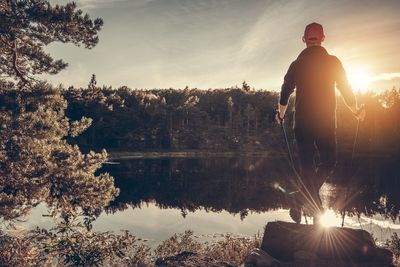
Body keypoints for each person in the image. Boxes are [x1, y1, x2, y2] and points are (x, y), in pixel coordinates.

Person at [275, 22, 365, 223]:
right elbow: (345, 88)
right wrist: (356, 110)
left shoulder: (296, 64)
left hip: (302, 124)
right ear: (323, 38)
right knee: (329, 161)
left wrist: (281, 114)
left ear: (304, 40)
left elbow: (285, 91)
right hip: (325, 122)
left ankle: (303, 200)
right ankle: (310, 206)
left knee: (306, 167)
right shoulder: (333, 62)